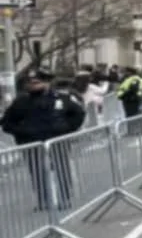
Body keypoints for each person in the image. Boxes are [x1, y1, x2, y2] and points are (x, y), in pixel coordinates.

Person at [2, 68, 86, 210]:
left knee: (61, 170)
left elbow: (78, 113)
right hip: (32, 143)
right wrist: (22, 132)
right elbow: (7, 122)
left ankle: (64, 198)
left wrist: (67, 129)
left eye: (37, 82)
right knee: (37, 172)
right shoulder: (21, 101)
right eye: (30, 82)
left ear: (47, 82)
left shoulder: (61, 98)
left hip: (56, 141)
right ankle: (43, 200)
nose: (33, 85)